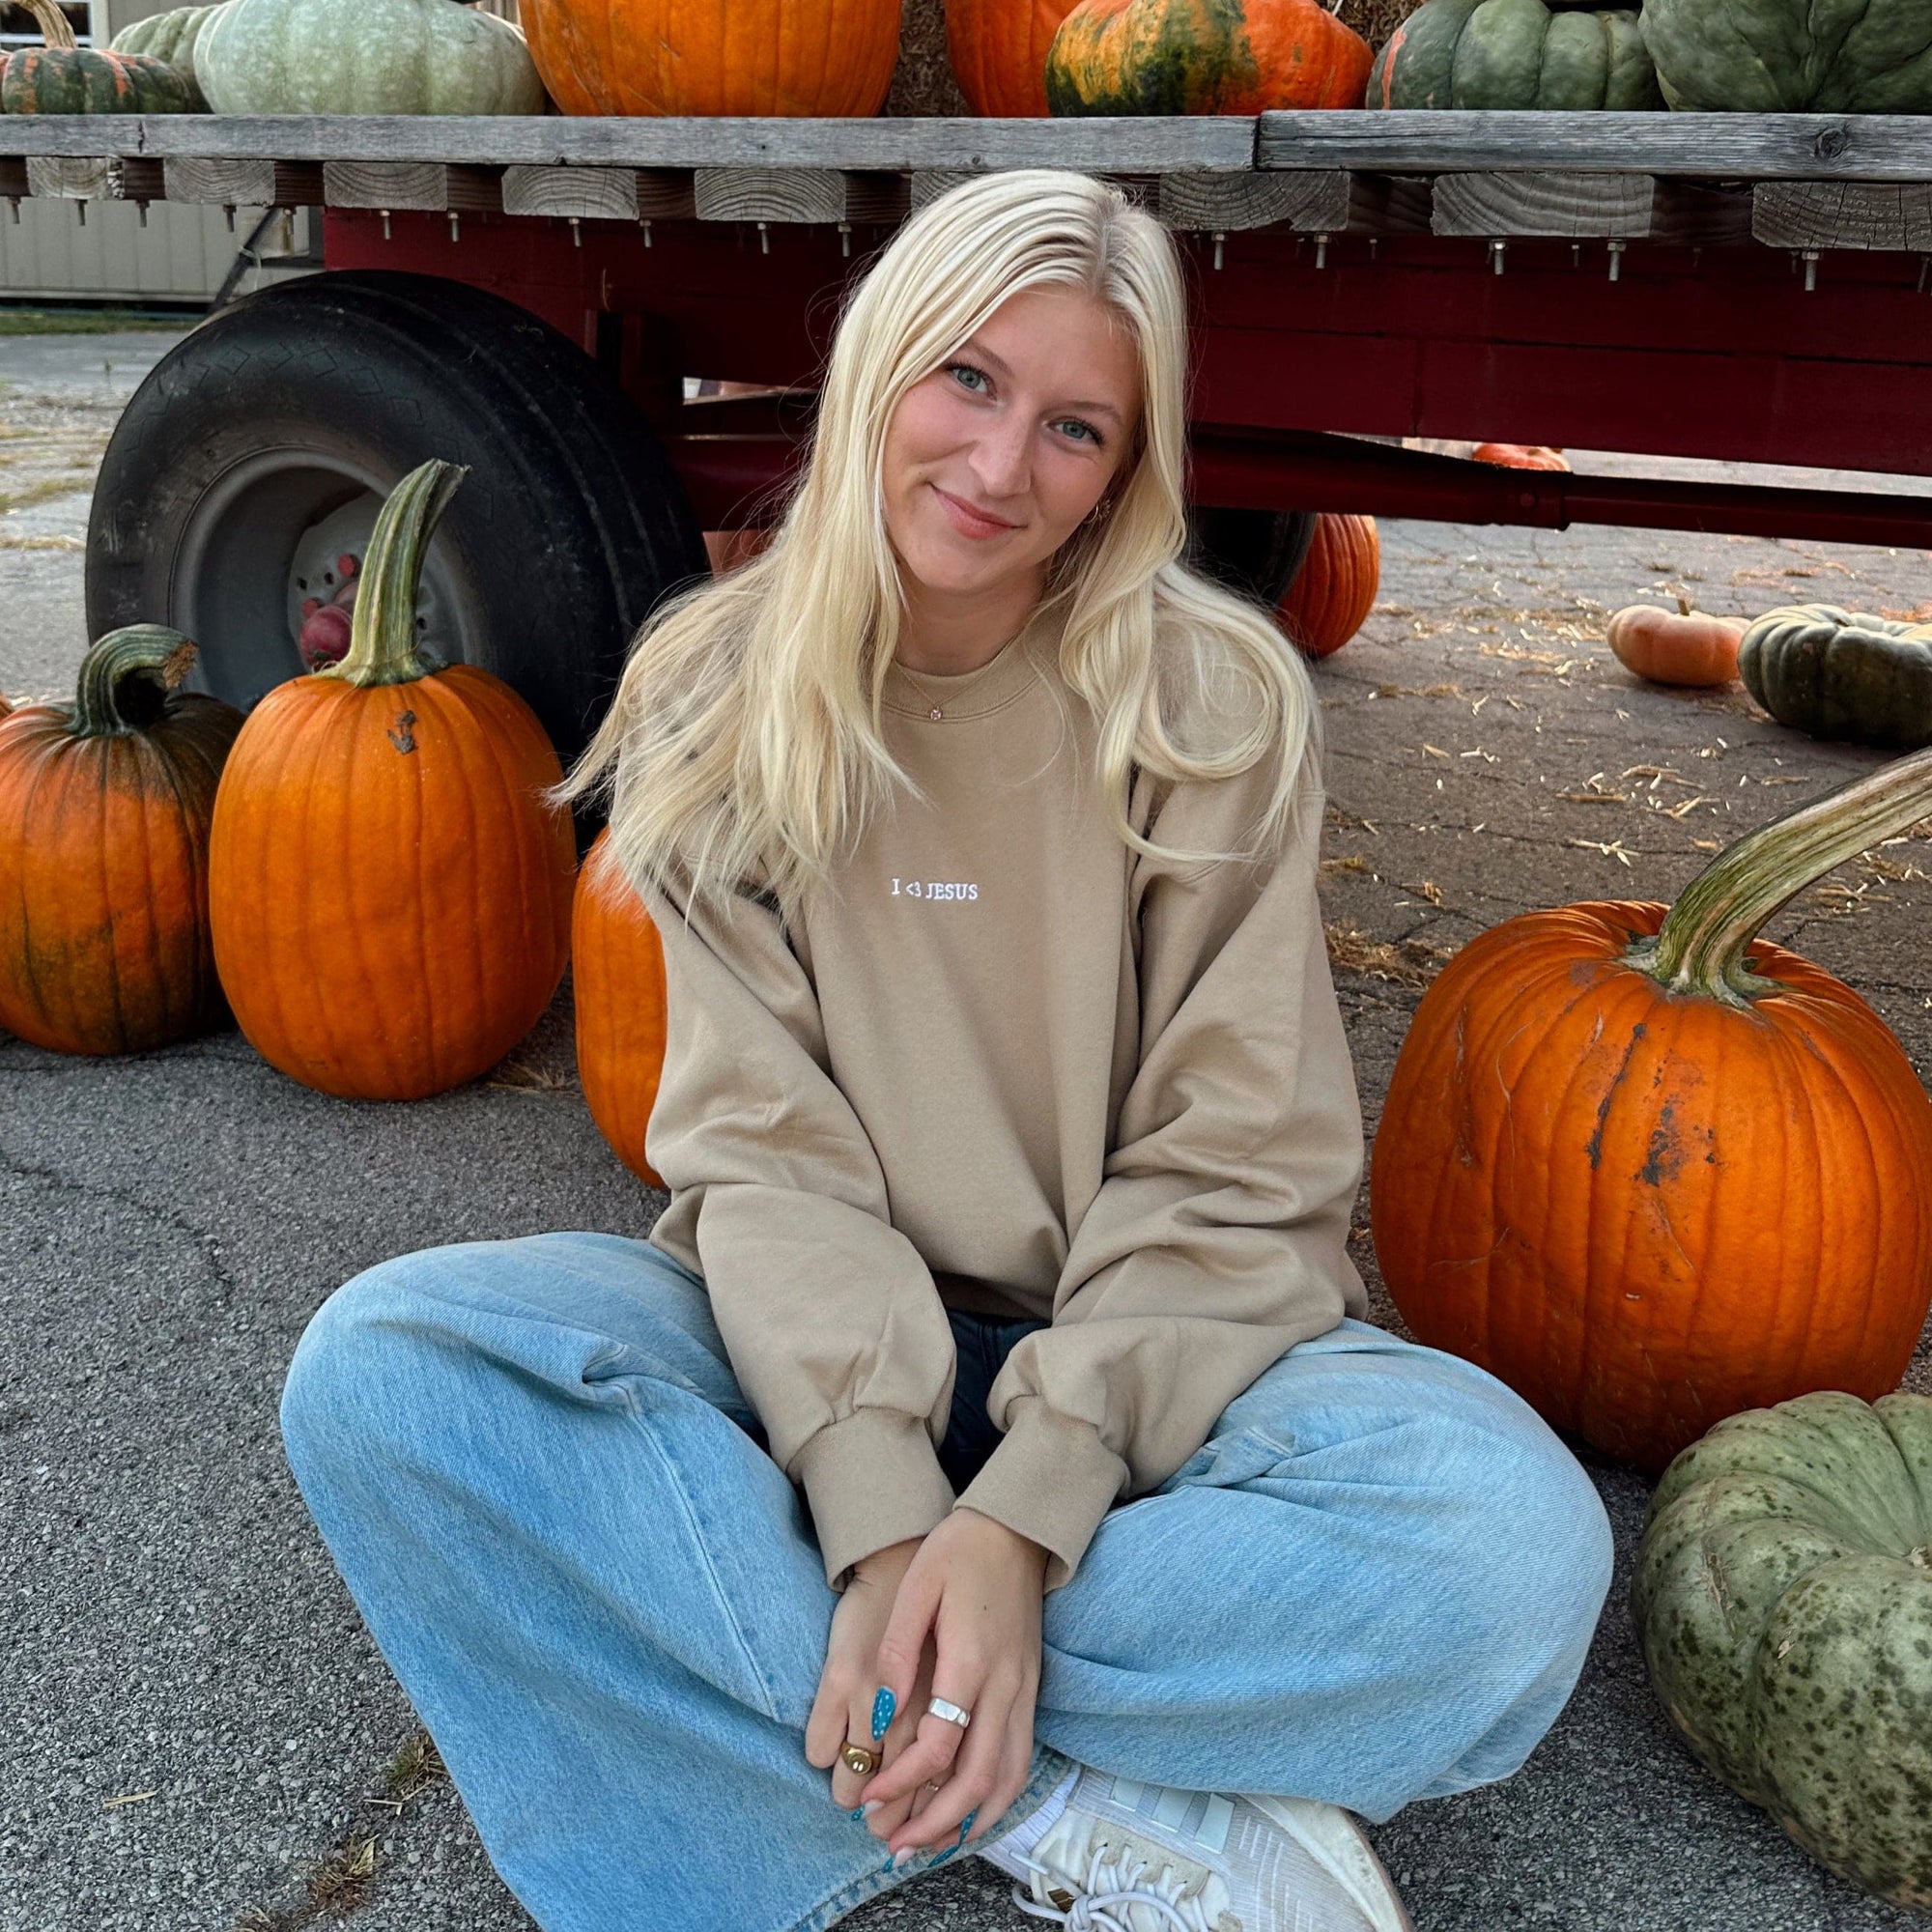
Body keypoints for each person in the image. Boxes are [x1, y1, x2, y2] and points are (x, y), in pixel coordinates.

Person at [278, 169, 1615, 1932]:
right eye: (968, 382)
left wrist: (1027, 1516)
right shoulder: (713, 693)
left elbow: (1236, 1164)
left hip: (1168, 1374)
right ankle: (1056, 1794)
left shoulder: (1211, 700)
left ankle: (828, 1734)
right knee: (385, 1374)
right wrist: (885, 1509)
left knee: (1510, 1549)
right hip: (803, 1357)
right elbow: (766, 1158)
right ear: (879, 364)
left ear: (1128, 472)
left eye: (1075, 428)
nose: (1001, 470)